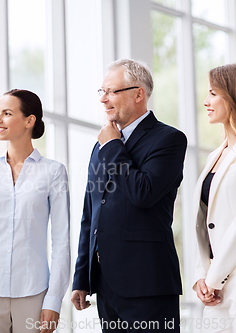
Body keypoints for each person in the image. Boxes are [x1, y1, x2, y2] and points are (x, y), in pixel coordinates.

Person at [71, 59, 187, 332]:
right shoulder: (102, 144)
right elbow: (91, 214)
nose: (104, 100)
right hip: (106, 285)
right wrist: (82, 277)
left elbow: (143, 193)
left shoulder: (168, 139)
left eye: (111, 91)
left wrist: (112, 146)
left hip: (147, 283)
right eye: (101, 92)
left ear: (138, 94)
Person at [0, 89, 70, 333]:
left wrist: (54, 299)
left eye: (7, 113)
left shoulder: (53, 172)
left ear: (30, 121)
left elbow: (61, 242)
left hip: (34, 291)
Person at [193, 64, 236, 333]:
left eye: (213, 94)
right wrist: (201, 276)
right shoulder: (215, 156)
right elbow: (202, 221)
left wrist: (214, 278)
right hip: (215, 286)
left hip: (225, 279)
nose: (206, 102)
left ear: (231, 97)